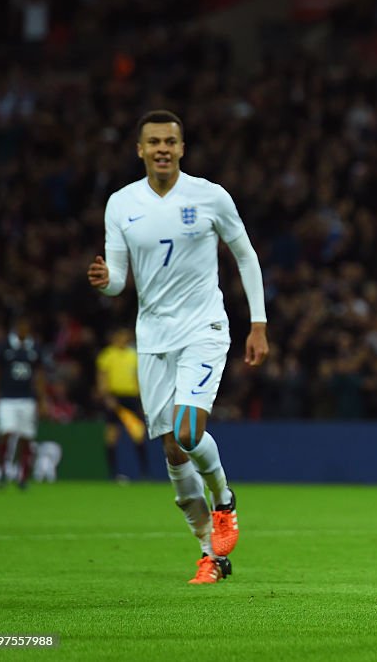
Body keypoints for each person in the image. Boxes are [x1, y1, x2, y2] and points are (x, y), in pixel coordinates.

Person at [87, 110, 269, 585]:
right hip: (153, 338)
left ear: (182, 148)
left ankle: (225, 500)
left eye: (171, 141)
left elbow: (245, 255)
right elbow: (121, 279)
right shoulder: (121, 204)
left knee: (188, 432)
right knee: (172, 450)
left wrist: (258, 323)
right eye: (154, 142)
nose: (163, 148)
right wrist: (107, 283)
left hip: (203, 328)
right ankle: (211, 553)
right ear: (140, 150)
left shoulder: (209, 196)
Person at [0, 317, 47, 490]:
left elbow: (40, 376)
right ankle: (3, 471)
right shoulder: (4, 347)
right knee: (6, 432)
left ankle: (23, 476)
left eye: (26, 326)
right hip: (6, 398)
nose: (23, 329)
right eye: (20, 326)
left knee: (26, 437)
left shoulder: (34, 348)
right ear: (15, 328)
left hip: (28, 398)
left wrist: (42, 400)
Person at [96, 328, 150, 480]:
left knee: (138, 434)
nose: (122, 339)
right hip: (115, 397)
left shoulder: (133, 355)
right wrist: (107, 397)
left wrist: (142, 398)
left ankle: (144, 472)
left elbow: (139, 378)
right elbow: (102, 377)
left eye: (124, 335)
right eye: (119, 335)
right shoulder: (107, 355)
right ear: (114, 337)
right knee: (112, 435)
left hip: (131, 399)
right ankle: (113, 473)